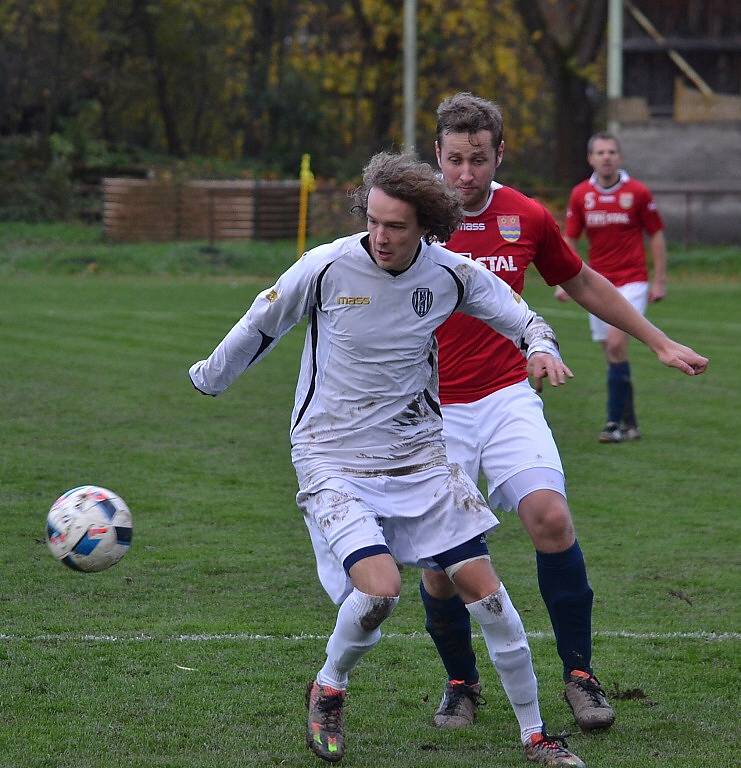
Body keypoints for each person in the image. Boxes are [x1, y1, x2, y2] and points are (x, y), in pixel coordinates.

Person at [190, 151, 588, 767]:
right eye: (373, 221)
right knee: (380, 591)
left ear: (425, 226)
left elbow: (523, 317)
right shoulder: (326, 266)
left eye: (395, 226)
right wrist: (210, 378)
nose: (380, 236)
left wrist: (539, 347)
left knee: (489, 595)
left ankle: (534, 735)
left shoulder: (451, 274)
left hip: (418, 457)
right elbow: (261, 321)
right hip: (332, 455)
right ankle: (329, 689)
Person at [419, 93, 708, 734]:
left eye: (479, 159)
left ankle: (579, 674)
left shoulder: (524, 215)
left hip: (504, 397)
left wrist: (656, 340)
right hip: (431, 416)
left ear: (500, 154)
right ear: (436, 156)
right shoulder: (412, 220)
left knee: (550, 518)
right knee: (441, 568)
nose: (466, 174)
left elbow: (582, 282)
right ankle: (461, 683)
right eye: (455, 160)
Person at [561, 132, 667, 443]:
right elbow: (569, 240)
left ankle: (613, 423)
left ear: (619, 157)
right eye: (600, 152)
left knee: (617, 344)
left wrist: (659, 280)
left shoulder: (638, 192)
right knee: (612, 353)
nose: (606, 157)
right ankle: (631, 422)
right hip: (597, 284)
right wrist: (565, 281)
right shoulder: (581, 194)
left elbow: (657, 235)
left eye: (611, 152)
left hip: (632, 281)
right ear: (590, 159)